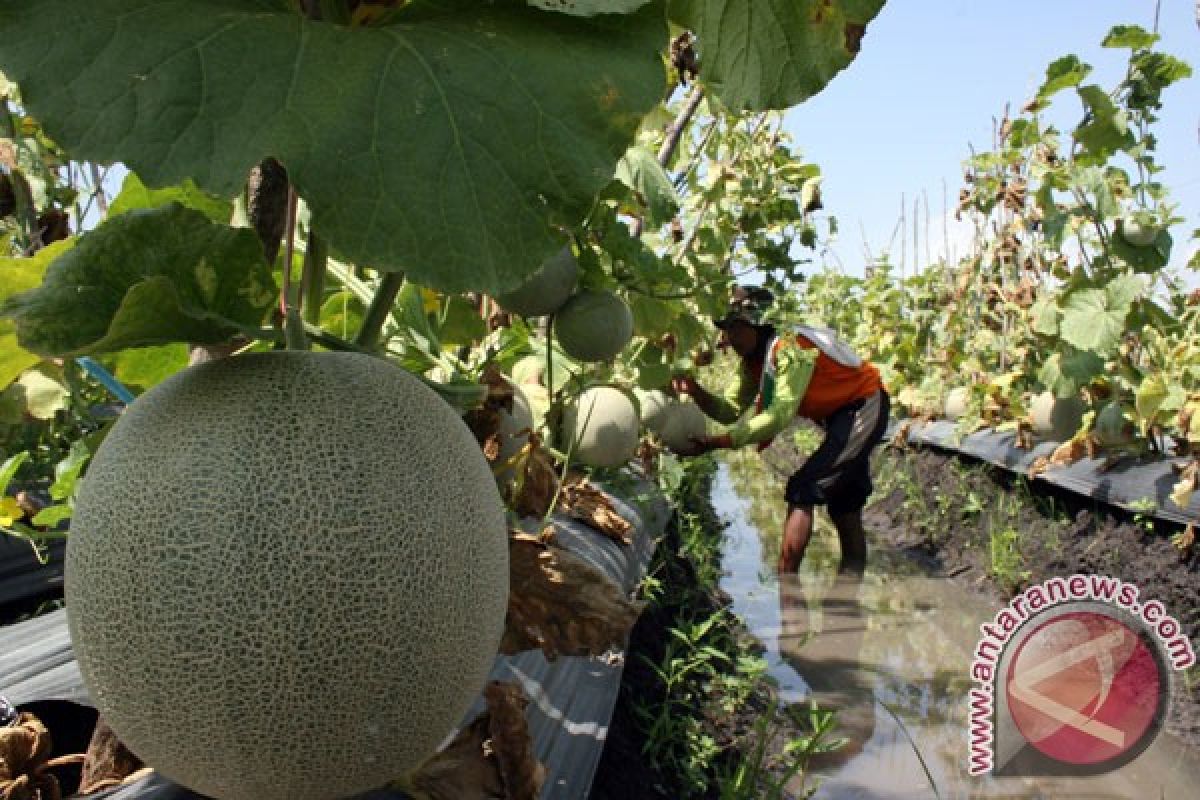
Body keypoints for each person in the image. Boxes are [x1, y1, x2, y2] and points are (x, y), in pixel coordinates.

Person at [672, 287, 890, 574]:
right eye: (727, 329)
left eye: (736, 328)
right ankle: (849, 588)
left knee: (803, 487)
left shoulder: (791, 347)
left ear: (758, 325)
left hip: (863, 406)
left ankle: (788, 586)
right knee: (844, 505)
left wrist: (721, 442)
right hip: (839, 415)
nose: (728, 338)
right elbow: (729, 410)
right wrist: (696, 391)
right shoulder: (754, 360)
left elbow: (778, 416)